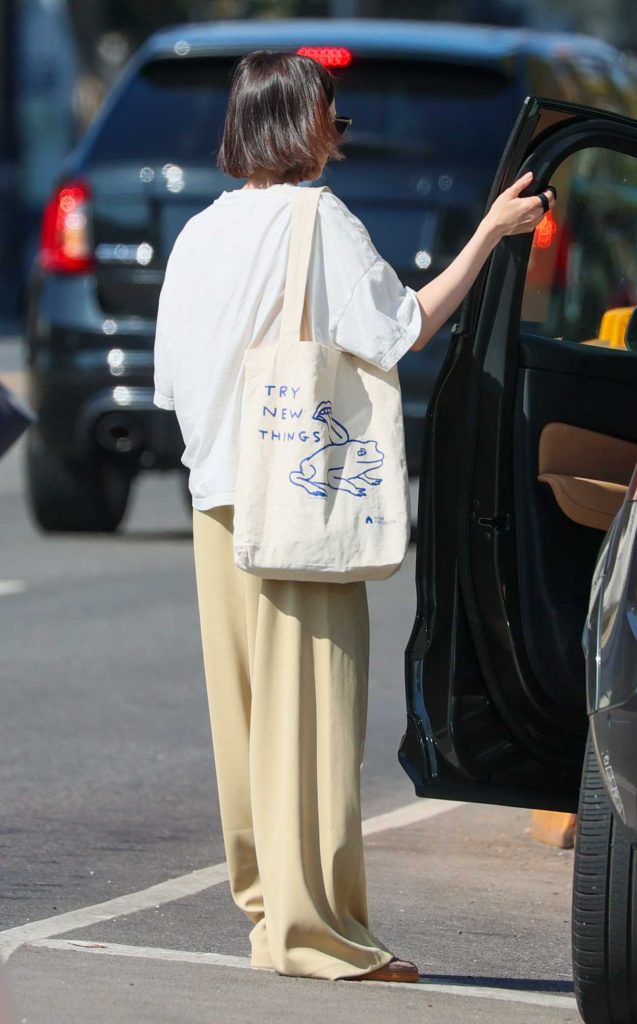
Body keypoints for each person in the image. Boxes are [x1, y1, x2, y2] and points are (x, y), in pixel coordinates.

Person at [153, 50, 555, 983]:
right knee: (313, 725)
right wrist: (491, 232)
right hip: (295, 502)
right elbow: (402, 328)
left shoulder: (201, 230)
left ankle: (267, 914)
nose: (340, 131)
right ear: (301, 124)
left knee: (249, 726)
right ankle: (315, 934)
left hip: (217, 504)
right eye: (331, 114)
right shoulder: (316, 219)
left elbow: (174, 381)